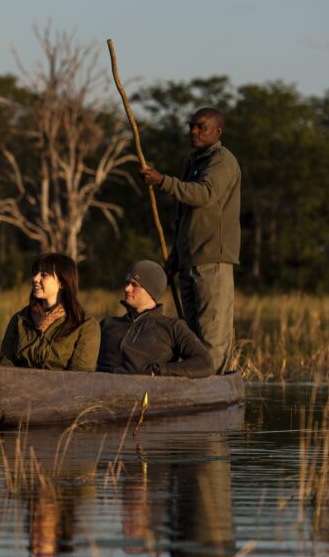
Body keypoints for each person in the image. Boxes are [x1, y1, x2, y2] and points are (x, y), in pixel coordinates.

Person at [141, 107, 240, 374]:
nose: (193, 132)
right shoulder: (193, 162)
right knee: (192, 336)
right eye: (191, 126)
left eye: (200, 127)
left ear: (217, 132)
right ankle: (196, 384)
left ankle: (214, 389)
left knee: (212, 334)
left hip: (212, 261)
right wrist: (174, 260)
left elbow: (205, 194)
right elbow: (185, 218)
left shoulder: (222, 161)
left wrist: (163, 181)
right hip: (188, 262)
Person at [97, 260, 213, 377]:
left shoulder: (172, 327)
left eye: (134, 284)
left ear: (151, 290)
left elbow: (205, 363)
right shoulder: (107, 324)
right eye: (127, 283)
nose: (127, 289)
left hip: (143, 393)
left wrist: (160, 370)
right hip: (98, 391)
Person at [0, 252, 100, 371]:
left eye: (44, 275)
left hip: (61, 389)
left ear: (62, 282)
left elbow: (79, 377)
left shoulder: (85, 326)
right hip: (20, 387)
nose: (35, 279)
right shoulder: (19, 320)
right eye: (35, 273)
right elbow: (5, 367)